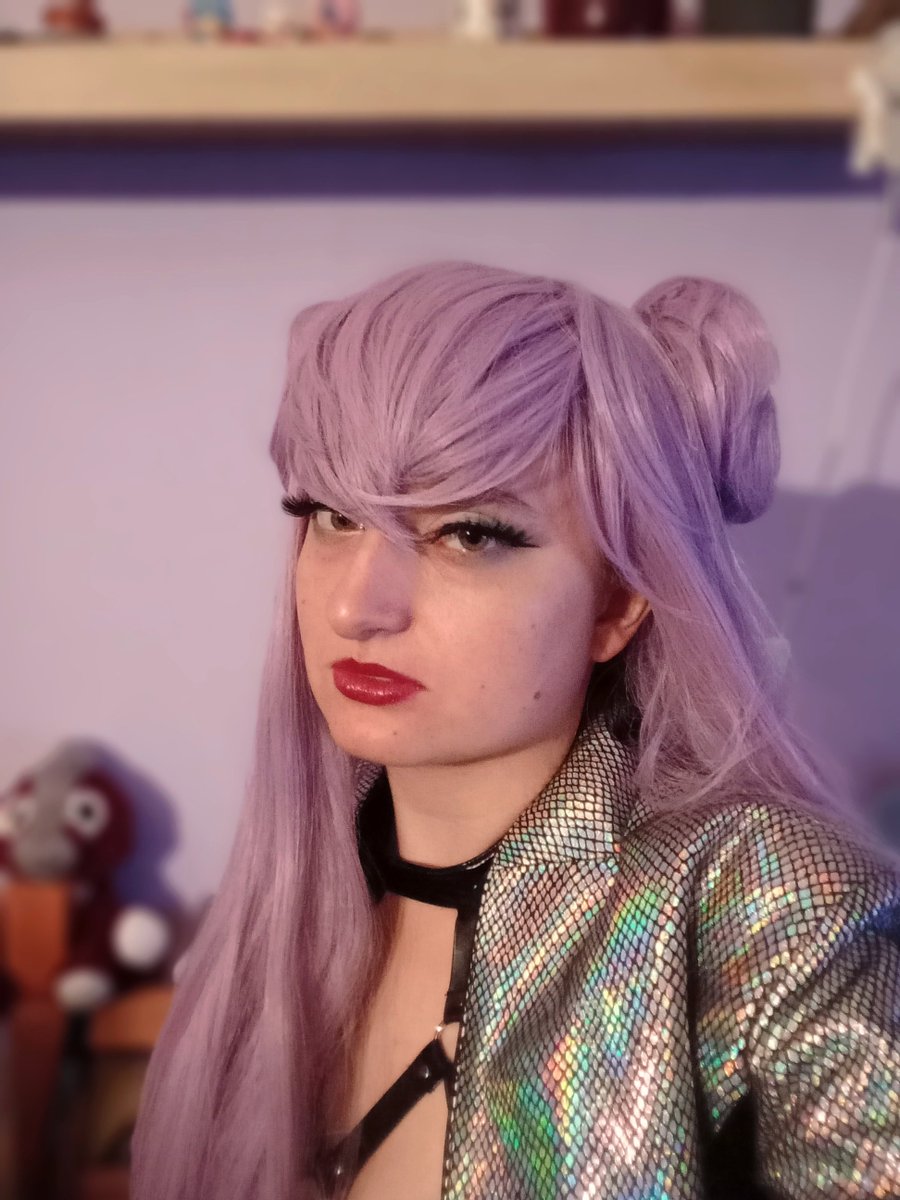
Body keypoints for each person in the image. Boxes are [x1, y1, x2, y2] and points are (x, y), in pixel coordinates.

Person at [130, 260, 900, 1200]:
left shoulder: (776, 911)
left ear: (618, 599)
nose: (357, 608)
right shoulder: (275, 913)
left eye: (468, 533)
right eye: (334, 517)